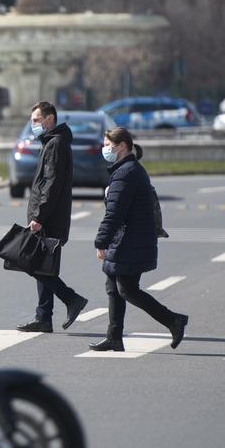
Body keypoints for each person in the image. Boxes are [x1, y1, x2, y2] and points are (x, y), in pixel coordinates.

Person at [90, 127, 189, 352]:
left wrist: (101, 241)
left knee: (127, 289)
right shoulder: (127, 170)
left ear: (121, 146)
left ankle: (174, 320)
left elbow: (115, 213)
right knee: (113, 287)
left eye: (107, 145)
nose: (104, 149)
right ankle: (114, 337)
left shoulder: (126, 173)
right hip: (128, 239)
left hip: (130, 240)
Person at [16, 101, 89, 333]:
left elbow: (52, 183)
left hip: (48, 218)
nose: (33, 124)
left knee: (33, 263)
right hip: (49, 216)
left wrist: (39, 216)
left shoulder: (55, 143)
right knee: (42, 266)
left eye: (36, 120)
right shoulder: (53, 142)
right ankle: (43, 317)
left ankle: (71, 299)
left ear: (49, 120)